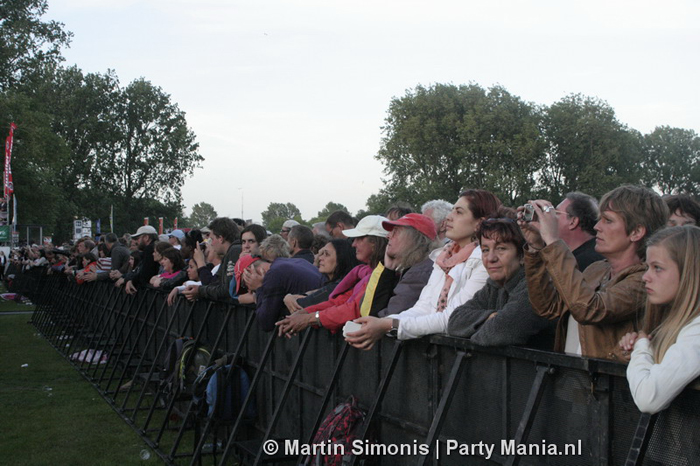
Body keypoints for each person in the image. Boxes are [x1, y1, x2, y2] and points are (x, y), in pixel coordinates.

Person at [521, 185, 669, 361]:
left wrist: (553, 241)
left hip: (603, 387)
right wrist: (535, 247)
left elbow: (590, 309)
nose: (597, 226)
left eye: (608, 220)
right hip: (571, 382)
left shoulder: (644, 281)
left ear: (636, 232)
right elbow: (548, 307)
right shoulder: (596, 270)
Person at [345, 191, 498, 349]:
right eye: (452, 210)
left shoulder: (484, 261)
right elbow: (423, 308)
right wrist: (386, 323)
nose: (449, 217)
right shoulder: (442, 257)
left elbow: (454, 317)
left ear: (479, 223)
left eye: (459, 212)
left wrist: (387, 324)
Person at [619, 226, 700, 414]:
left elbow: (648, 398)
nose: (646, 277)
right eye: (647, 267)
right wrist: (637, 351)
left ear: (690, 272)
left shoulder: (697, 330)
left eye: (657, 268)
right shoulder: (676, 322)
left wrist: (641, 349)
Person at [447, 216, 554, 347]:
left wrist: (477, 327)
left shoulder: (534, 286)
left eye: (501, 248)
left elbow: (496, 334)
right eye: (485, 250)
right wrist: (492, 316)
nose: (491, 258)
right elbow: (454, 322)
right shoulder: (494, 285)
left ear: (521, 255)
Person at [276, 215, 388, 336]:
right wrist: (305, 313)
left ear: (375, 242)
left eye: (359, 238)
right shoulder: (364, 272)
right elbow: (341, 301)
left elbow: (353, 308)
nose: (353, 244)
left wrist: (309, 317)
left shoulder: (382, 274)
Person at [182, 217, 241, 303]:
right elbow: (214, 283)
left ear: (221, 238)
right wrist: (200, 289)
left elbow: (227, 290)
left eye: (212, 239)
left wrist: (200, 262)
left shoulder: (235, 251)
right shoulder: (229, 253)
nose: (211, 244)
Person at [554, 192, 604, 270]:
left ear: (573, 222)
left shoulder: (586, 262)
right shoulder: (596, 252)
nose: (551, 218)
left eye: (556, 213)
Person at [122, 226, 160, 294]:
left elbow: (145, 273)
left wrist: (131, 280)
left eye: (138, 238)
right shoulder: (152, 248)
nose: (136, 241)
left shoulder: (149, 250)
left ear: (146, 237)